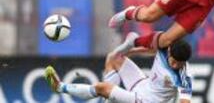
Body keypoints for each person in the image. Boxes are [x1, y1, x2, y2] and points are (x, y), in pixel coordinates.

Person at [44, 37, 193, 103]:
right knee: (114, 57)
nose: (175, 66)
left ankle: (59, 87)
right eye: (173, 62)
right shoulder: (164, 47)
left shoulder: (184, 77)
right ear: (169, 52)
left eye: (180, 64)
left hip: (145, 101)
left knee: (103, 88)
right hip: (142, 85)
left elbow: (185, 101)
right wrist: (129, 52)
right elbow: (153, 51)